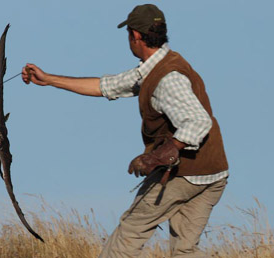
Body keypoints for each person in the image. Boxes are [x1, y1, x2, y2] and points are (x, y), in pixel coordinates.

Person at [22, 4, 228, 258]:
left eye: (129, 34)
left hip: (184, 173)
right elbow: (106, 86)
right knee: (185, 251)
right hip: (213, 173)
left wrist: (162, 153)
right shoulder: (157, 66)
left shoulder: (167, 78)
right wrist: (50, 79)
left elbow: (198, 121)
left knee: (124, 242)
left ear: (136, 36)